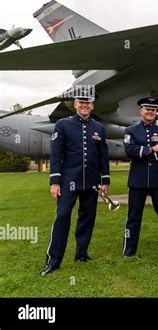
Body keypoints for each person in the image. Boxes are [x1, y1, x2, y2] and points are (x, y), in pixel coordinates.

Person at [42, 90, 110, 276]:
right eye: (81, 102)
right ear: (75, 104)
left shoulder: (99, 128)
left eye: (88, 103)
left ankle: (81, 253)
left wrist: (105, 180)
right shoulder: (63, 125)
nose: (84, 105)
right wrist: (55, 182)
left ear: (93, 105)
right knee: (62, 217)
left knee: (87, 219)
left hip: (91, 182)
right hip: (68, 182)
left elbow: (103, 156)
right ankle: (53, 261)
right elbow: (56, 155)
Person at [122, 97, 158, 256]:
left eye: (153, 109)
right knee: (133, 216)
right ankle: (129, 248)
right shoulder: (130, 131)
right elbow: (129, 151)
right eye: (147, 109)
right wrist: (152, 150)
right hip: (137, 180)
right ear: (141, 111)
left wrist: (145, 152)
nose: (151, 112)